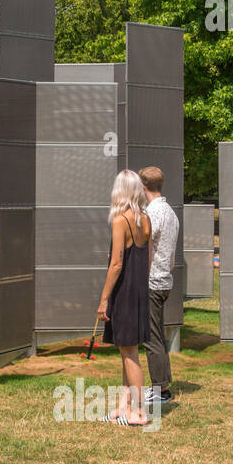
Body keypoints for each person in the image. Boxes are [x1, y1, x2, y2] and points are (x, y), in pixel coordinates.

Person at [97, 169, 151, 425]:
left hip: (125, 293)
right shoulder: (145, 220)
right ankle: (123, 406)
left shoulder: (120, 220)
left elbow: (116, 264)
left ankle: (138, 412)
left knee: (130, 353)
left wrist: (104, 299)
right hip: (140, 290)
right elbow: (145, 259)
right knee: (126, 350)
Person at [139, 166, 179, 406]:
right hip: (165, 279)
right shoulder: (171, 213)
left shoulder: (152, 213)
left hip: (152, 281)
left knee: (151, 337)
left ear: (143, 186)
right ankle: (162, 383)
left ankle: (161, 390)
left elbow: (146, 249)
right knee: (157, 335)